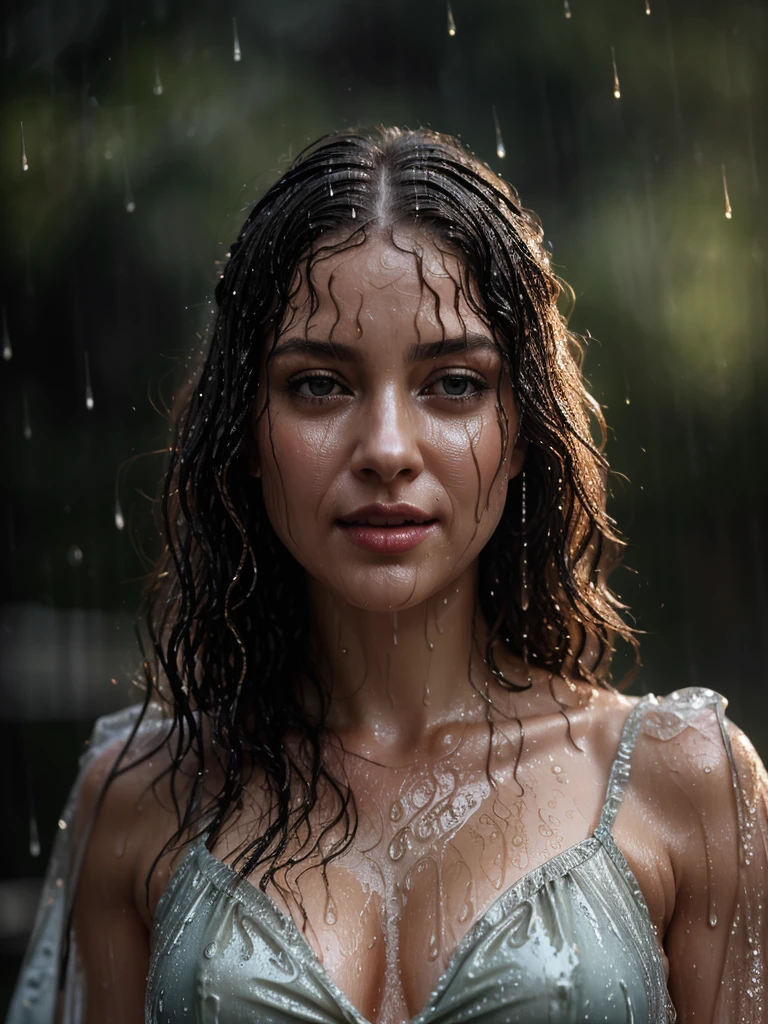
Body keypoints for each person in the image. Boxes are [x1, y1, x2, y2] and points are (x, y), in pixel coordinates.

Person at [7, 126, 768, 1024]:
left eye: (452, 383)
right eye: (320, 385)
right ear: (244, 433)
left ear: (522, 428)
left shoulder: (685, 785)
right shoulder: (138, 799)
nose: (386, 451)